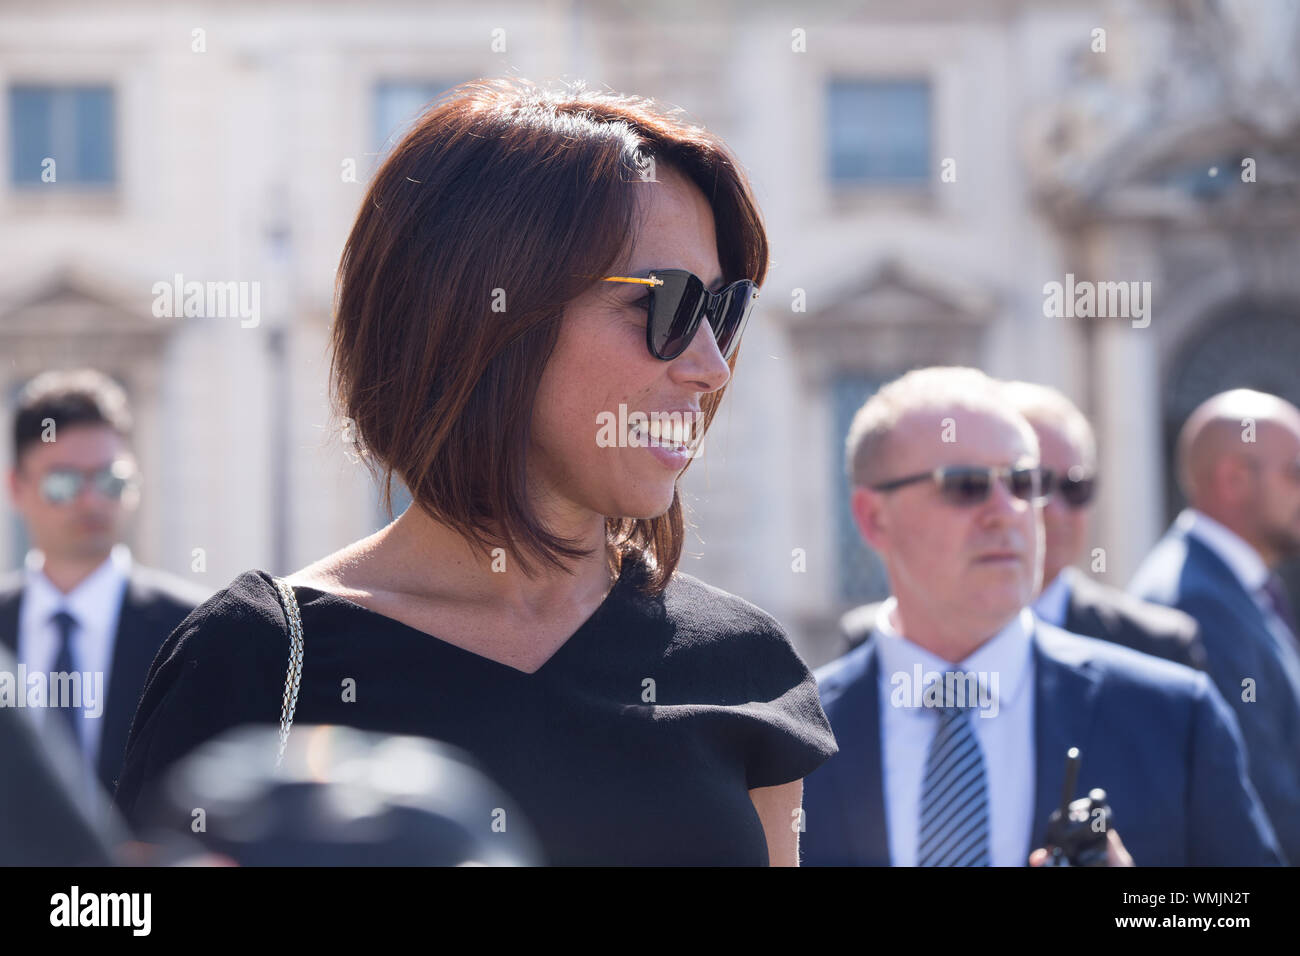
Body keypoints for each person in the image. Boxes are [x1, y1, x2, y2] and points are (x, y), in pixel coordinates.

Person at [112, 77, 838, 866]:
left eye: (724, 312)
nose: (710, 365)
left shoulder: (743, 662)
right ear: (480, 312)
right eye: (666, 305)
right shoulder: (254, 659)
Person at [802, 366, 1282, 866]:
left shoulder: (1177, 716)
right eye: (965, 484)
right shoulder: (786, 737)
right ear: (873, 517)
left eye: (1024, 482)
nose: (1007, 510)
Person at [1, 369, 210, 806]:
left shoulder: (197, 630)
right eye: (64, 482)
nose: (91, 501)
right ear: (16, 487)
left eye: (110, 481)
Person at [1130, 388, 1300, 864]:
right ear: (1233, 479)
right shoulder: (1196, 600)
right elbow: (1259, 795)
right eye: (1295, 473)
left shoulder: (1236, 586)